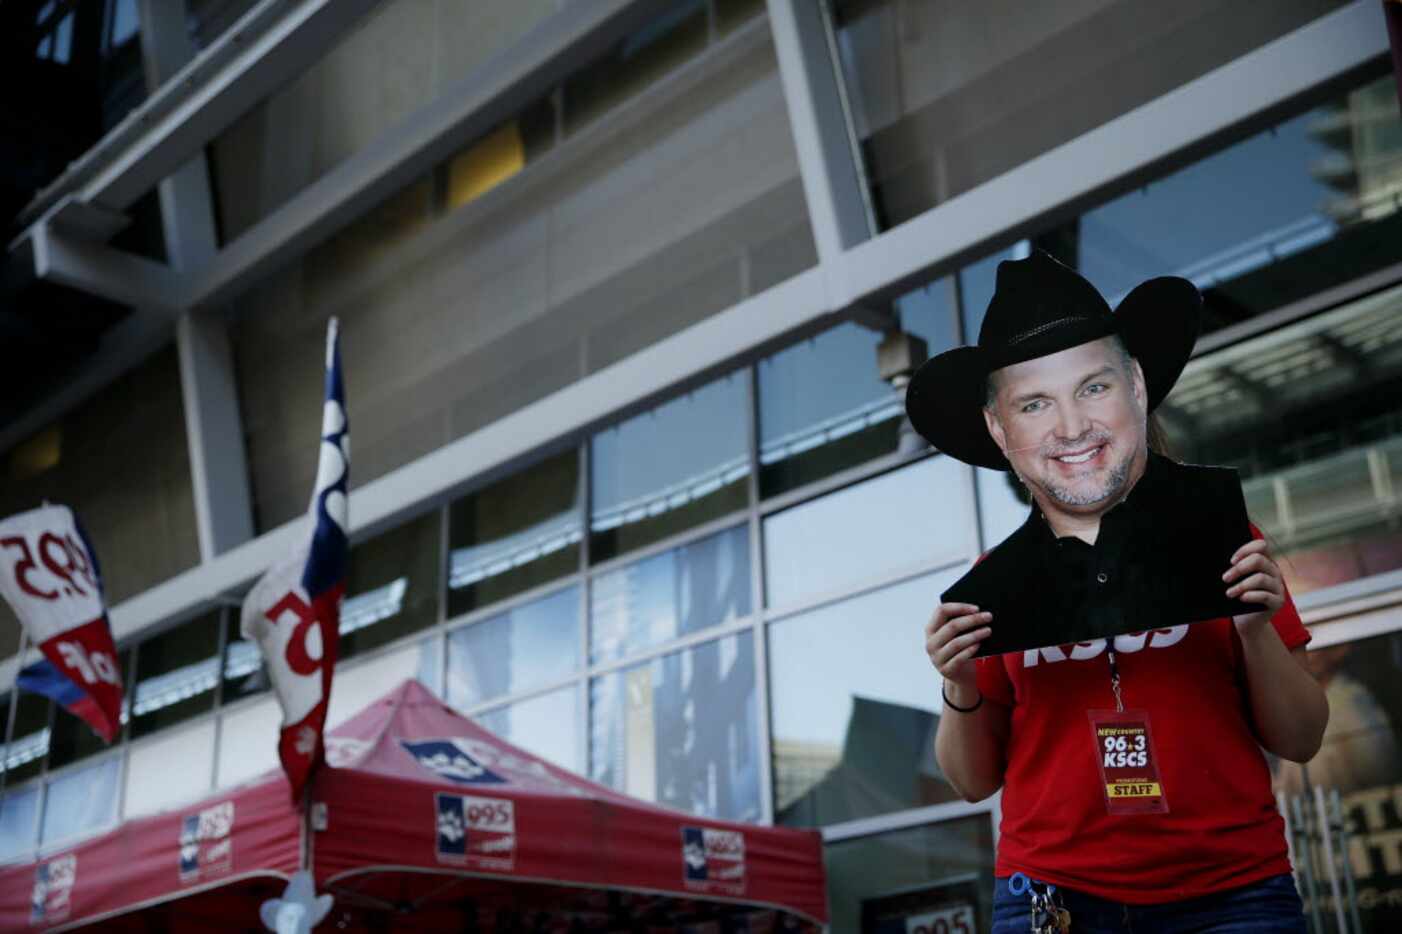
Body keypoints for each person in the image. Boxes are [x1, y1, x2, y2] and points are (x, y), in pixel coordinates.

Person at [906, 251, 1329, 933]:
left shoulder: (1222, 538)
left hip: (1233, 895)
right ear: (999, 430)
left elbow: (1303, 738)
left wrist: (1254, 628)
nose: (1071, 427)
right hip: (1052, 903)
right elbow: (970, 782)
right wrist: (958, 680)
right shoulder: (992, 586)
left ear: (1135, 385)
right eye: (1035, 403)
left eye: (1093, 387)